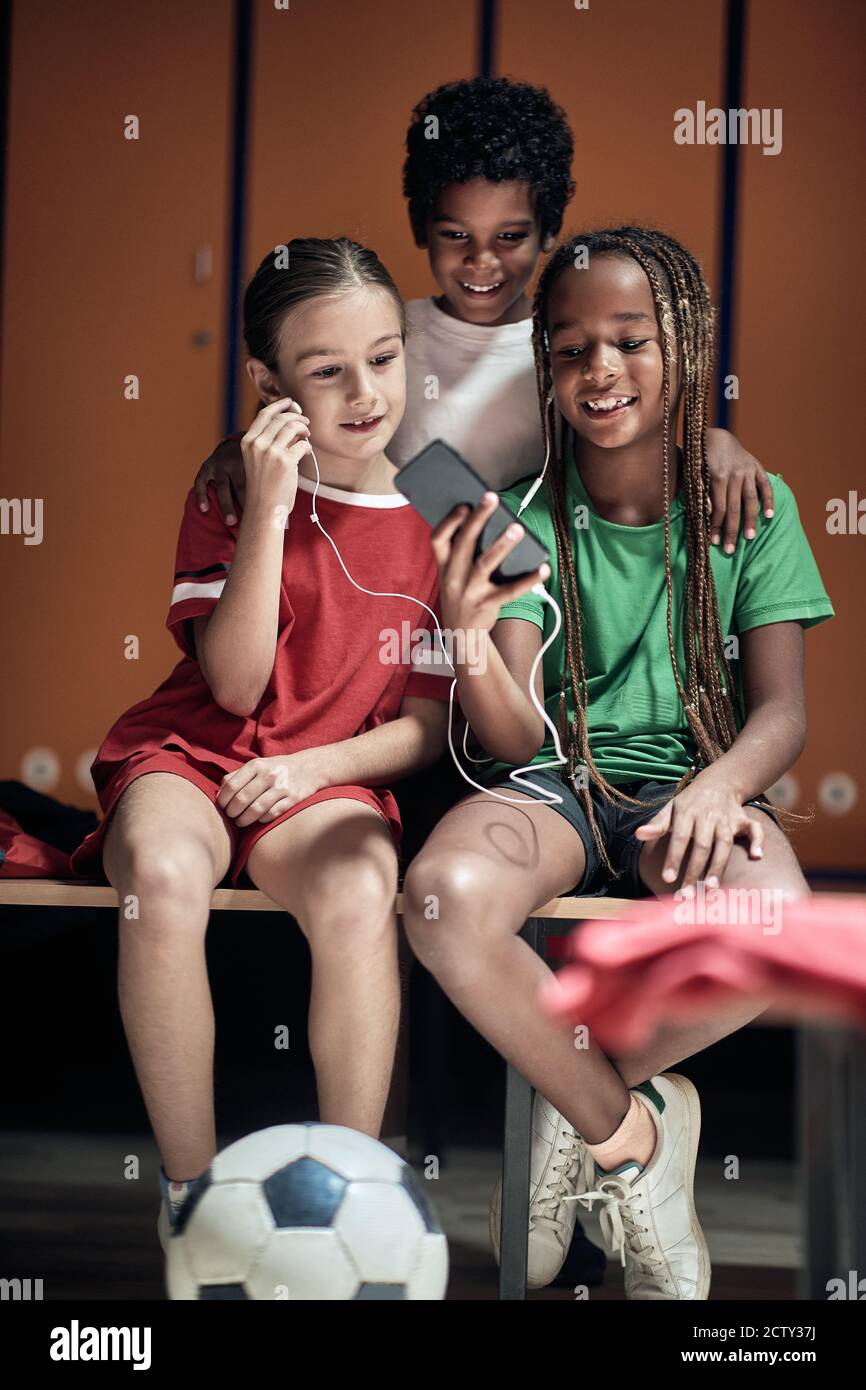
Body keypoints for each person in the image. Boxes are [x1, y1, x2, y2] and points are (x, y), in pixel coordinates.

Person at [190, 78, 779, 1288]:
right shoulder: (386, 334)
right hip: (398, 685)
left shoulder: (565, 337)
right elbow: (317, 422)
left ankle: (579, 1134)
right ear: (418, 230)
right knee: (397, 903)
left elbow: (640, 417)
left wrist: (717, 436)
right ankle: (380, 1199)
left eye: (511, 239)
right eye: (454, 236)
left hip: (516, 679)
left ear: (548, 236)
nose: (480, 265)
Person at [399, 225, 833, 1298]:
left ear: (683, 344)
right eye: (570, 348)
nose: (599, 371)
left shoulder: (748, 505)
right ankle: (628, 1139)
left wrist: (719, 784)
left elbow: (779, 713)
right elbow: (509, 740)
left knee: (767, 919)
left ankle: (565, 1110)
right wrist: (464, 636)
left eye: (630, 342)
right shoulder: (517, 518)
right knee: (442, 898)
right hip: (553, 785)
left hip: (687, 782)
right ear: (545, 365)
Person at [70, 237, 467, 1249]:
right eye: (325, 369)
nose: (363, 391)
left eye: (380, 358)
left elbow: (423, 729)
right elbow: (237, 684)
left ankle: (354, 1194)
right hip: (196, 756)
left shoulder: (446, 504)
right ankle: (193, 1199)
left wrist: (311, 768)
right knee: (158, 875)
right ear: (268, 383)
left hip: (324, 770)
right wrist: (272, 512)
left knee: (354, 890)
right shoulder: (230, 491)